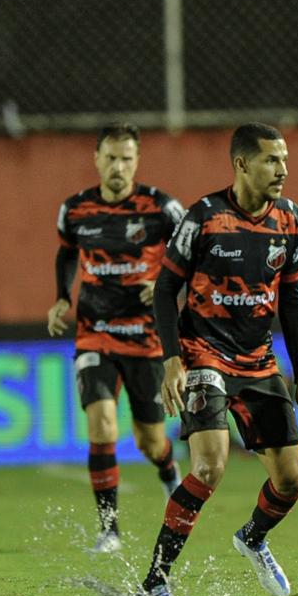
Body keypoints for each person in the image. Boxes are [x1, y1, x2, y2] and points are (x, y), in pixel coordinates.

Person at [137, 122, 298, 596]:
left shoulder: (292, 220)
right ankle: (156, 577)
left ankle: (253, 538)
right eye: (270, 160)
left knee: (291, 479)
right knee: (211, 465)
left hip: (258, 361)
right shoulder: (205, 218)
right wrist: (172, 359)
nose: (282, 169)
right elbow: (164, 288)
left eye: (283, 159)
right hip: (203, 354)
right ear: (241, 164)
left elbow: (293, 297)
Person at [47, 122, 186, 553]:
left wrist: (166, 285)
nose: (118, 167)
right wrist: (60, 299)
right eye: (111, 158)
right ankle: (109, 530)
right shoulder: (75, 210)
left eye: (127, 158)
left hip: (146, 340)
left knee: (150, 440)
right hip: (95, 334)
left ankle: (168, 473)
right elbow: (67, 253)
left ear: (137, 161)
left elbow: (191, 257)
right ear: (96, 159)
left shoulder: (163, 209)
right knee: (102, 424)